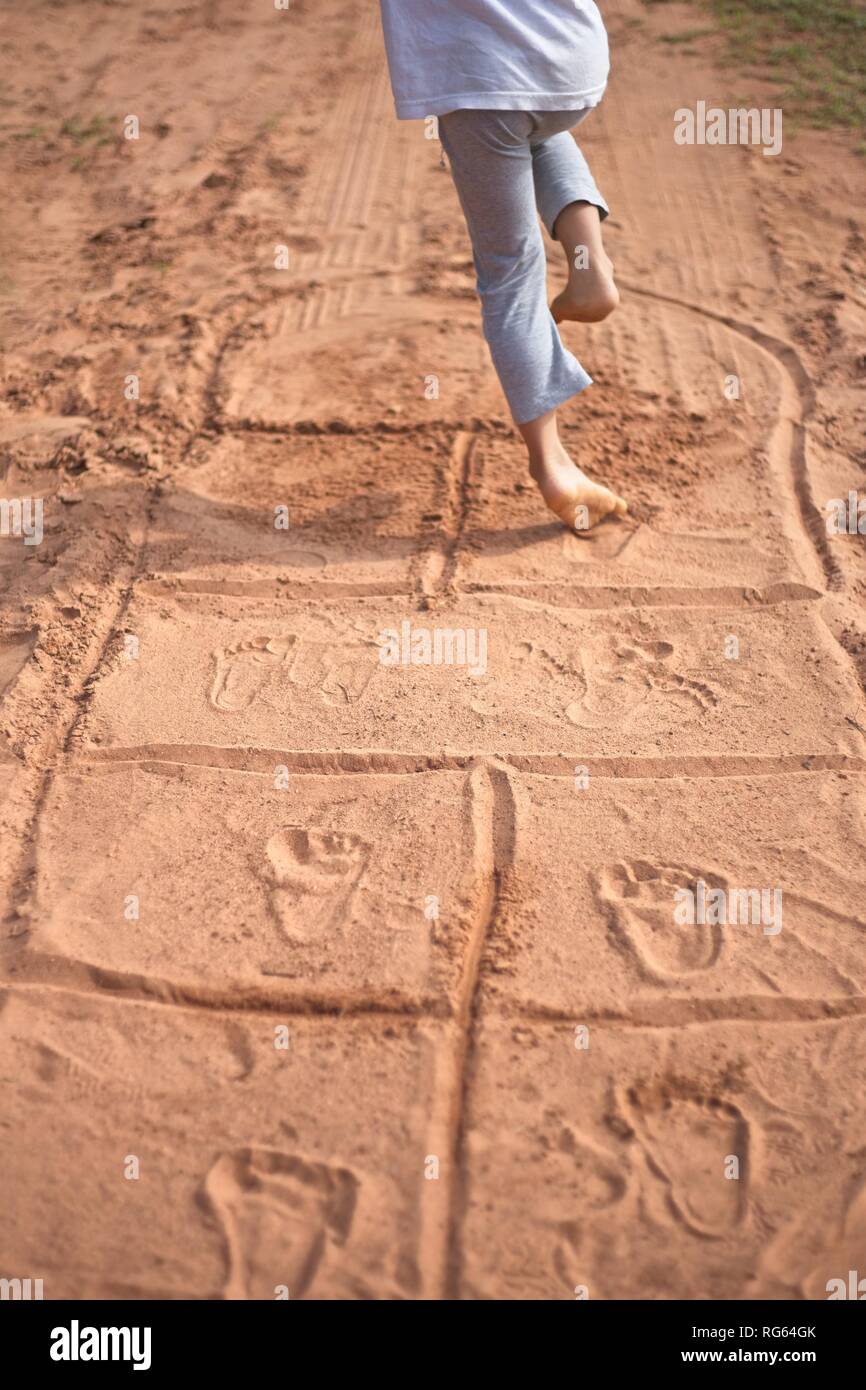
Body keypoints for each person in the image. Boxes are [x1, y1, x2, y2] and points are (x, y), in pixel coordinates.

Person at [379, 0, 627, 531]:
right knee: (537, 127)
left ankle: (552, 463)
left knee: (509, 272)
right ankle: (590, 266)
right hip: (571, 62)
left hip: (479, 78)